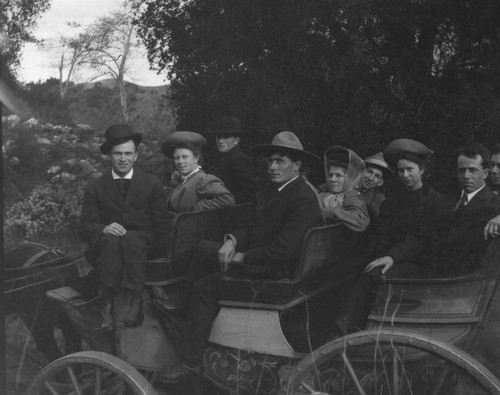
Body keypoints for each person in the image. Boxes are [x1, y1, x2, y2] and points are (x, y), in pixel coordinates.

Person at [157, 131, 322, 382]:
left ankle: (190, 361)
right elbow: (254, 227)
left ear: (297, 165)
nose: (273, 166)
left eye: (280, 161)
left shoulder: (303, 198)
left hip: (276, 272)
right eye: (270, 161)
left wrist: (242, 258)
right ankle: (188, 311)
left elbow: (284, 251)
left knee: (204, 287)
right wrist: (232, 241)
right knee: (203, 249)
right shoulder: (272, 190)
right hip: (263, 260)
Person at [80, 124, 171, 329]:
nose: (123, 159)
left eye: (128, 153)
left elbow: (163, 226)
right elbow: (85, 226)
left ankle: (135, 301)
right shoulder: (95, 187)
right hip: (107, 248)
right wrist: (103, 228)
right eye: (118, 154)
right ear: (109, 156)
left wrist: (148, 240)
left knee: (132, 238)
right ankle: (107, 303)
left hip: (143, 246)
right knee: (112, 239)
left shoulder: (151, 184)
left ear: (136, 156)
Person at [366, 143, 500, 277]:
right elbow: (423, 236)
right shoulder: (444, 202)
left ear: (485, 173)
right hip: (432, 272)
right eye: (461, 170)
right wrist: (392, 257)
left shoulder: (495, 205)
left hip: (471, 280)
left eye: (472, 170)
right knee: (376, 274)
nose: (466, 176)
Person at [371, 139, 443, 274]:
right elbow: (382, 236)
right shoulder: (391, 202)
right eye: (401, 170)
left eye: (410, 169)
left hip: (422, 263)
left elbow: (422, 238)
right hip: (391, 259)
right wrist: (379, 259)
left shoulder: (436, 201)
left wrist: (392, 257)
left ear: (421, 170)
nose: (405, 175)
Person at [162, 131, 235, 216]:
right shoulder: (183, 181)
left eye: (185, 157)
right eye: (177, 158)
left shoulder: (203, 179)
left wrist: (196, 210)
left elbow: (227, 200)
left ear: (196, 158)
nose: (180, 162)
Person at [317, 146, 369, 231]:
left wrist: (332, 212)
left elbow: (361, 222)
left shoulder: (353, 199)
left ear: (349, 177)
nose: (333, 179)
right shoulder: (322, 194)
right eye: (330, 175)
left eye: (338, 175)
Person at [206, 116, 257, 203]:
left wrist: (222, 201)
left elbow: (248, 193)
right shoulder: (225, 158)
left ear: (236, 141)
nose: (220, 141)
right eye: (218, 137)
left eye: (226, 137)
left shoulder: (239, 160)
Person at [356, 152, 392, 220]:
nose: (370, 178)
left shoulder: (378, 200)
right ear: (361, 171)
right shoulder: (344, 186)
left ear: (380, 182)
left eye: (377, 176)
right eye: (369, 172)